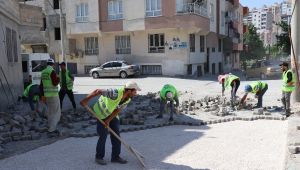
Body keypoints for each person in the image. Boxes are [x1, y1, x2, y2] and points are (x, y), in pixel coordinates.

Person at [80, 81, 141, 165]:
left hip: (111, 114)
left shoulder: (128, 99)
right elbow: (97, 91)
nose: (136, 93)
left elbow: (118, 110)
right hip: (100, 113)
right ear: (129, 91)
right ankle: (99, 157)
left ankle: (115, 157)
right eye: (135, 91)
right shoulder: (115, 93)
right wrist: (85, 100)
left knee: (116, 135)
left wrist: (108, 120)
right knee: (103, 136)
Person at [40, 58, 61, 137]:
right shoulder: (52, 71)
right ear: (52, 64)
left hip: (47, 95)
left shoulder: (43, 72)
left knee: (50, 112)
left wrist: (42, 96)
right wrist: (58, 78)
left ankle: (50, 127)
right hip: (53, 95)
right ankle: (52, 129)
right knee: (56, 112)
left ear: (47, 64)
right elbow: (55, 83)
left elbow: (41, 85)